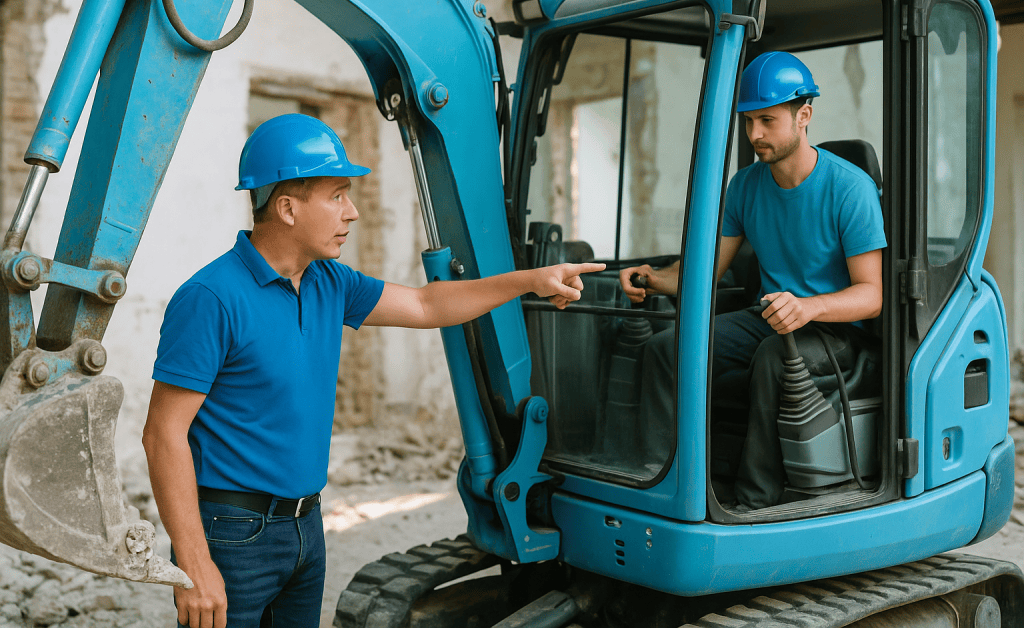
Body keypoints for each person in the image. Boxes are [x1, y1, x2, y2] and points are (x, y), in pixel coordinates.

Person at [142, 113, 604, 628]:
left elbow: (428, 306)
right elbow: (164, 433)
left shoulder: (328, 282)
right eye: (337, 194)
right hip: (233, 534)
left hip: (306, 525)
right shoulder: (211, 298)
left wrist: (528, 281)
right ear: (288, 207)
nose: (353, 211)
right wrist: (193, 562)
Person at [619, 51, 885, 512]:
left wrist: (808, 308)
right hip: (771, 316)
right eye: (748, 121)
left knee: (773, 358)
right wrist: (652, 279)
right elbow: (704, 272)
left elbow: (872, 296)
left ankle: (753, 503)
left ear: (804, 116)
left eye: (767, 120)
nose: (754, 134)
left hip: (836, 329)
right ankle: (663, 480)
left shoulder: (851, 188)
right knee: (668, 348)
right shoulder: (745, 186)